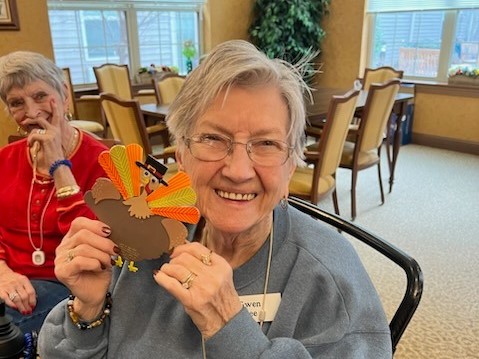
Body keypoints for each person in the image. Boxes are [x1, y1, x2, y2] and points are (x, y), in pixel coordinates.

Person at [38, 40, 392, 358]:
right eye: (213, 139)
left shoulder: (328, 278)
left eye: (267, 144)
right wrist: (89, 309)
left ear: (291, 165)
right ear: (181, 156)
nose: (238, 170)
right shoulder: (140, 237)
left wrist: (231, 329)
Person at [0, 51, 108, 334]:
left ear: (64, 94)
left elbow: (96, 247)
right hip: (7, 280)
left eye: (39, 96)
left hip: (70, 285)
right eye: (16, 103)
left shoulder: (104, 162)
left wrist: (59, 166)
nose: (32, 112)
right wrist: (3, 273)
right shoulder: (5, 158)